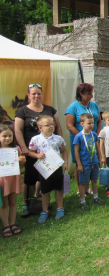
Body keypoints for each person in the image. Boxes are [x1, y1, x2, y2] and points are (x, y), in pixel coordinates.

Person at [15, 83, 63, 218]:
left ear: (42, 95)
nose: (36, 96)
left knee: (45, 178)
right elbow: (17, 130)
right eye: (33, 93)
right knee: (29, 179)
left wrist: (59, 143)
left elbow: (58, 126)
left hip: (50, 154)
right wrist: (24, 148)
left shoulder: (50, 109)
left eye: (39, 93)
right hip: (32, 151)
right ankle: (26, 204)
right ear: (28, 95)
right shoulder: (22, 111)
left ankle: (41, 201)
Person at [28, 116, 68, 223]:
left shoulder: (58, 138)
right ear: (40, 128)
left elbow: (64, 151)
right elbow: (30, 152)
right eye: (48, 125)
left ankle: (60, 208)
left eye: (52, 124)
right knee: (45, 191)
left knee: (58, 189)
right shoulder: (36, 139)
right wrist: (37, 156)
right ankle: (44, 210)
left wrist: (66, 163)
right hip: (45, 169)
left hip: (57, 167)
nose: (51, 127)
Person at [65, 83, 102, 197]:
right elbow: (70, 125)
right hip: (79, 141)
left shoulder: (94, 105)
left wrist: (96, 134)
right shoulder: (73, 107)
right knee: (80, 163)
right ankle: (80, 187)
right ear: (81, 94)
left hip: (93, 139)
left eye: (91, 93)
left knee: (92, 161)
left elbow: (99, 121)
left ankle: (89, 186)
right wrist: (82, 137)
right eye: (88, 94)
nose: (91, 96)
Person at [73, 113, 105, 210]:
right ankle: (82, 201)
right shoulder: (78, 136)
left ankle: (96, 197)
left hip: (94, 162)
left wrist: (100, 158)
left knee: (95, 181)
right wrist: (79, 164)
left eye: (92, 123)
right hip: (85, 164)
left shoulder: (94, 134)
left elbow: (97, 147)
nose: (91, 125)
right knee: (83, 183)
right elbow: (76, 151)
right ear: (82, 123)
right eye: (89, 123)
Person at [0, 123, 25, 237]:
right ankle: (6, 225)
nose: (7, 138)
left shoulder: (16, 148)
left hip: (14, 178)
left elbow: (20, 164)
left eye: (10, 136)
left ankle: (13, 223)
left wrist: (22, 159)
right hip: (2, 180)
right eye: (4, 136)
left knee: (13, 202)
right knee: (4, 203)